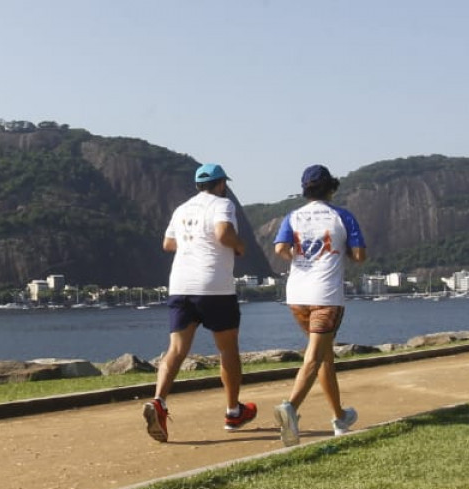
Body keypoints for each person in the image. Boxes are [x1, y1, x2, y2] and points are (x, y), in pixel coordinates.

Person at [142, 162, 257, 442]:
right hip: (214, 287)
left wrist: (192, 242)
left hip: (180, 285)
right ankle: (233, 412)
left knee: (176, 349)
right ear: (221, 184)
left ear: (197, 185)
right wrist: (239, 245)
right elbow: (223, 234)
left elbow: (168, 244)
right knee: (227, 348)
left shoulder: (181, 209)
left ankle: (159, 401)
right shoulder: (222, 204)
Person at [272, 164, 367, 446]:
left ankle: (340, 418)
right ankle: (290, 407)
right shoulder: (342, 216)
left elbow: (280, 248)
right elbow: (359, 256)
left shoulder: (293, 216)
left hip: (297, 296)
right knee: (314, 358)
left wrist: (302, 259)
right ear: (331, 188)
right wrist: (340, 251)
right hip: (325, 296)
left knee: (324, 357)